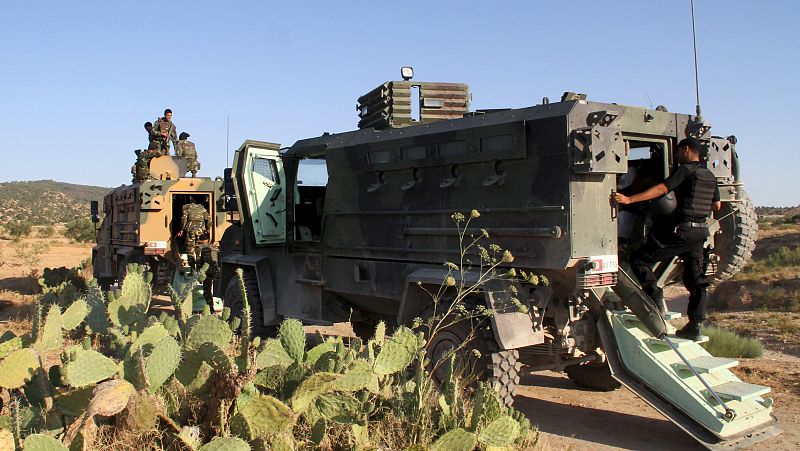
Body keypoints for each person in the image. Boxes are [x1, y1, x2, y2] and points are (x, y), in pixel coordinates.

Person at [614, 138, 721, 341]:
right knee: (697, 281)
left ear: (686, 150)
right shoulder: (709, 175)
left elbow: (662, 189)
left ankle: (654, 297)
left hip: (681, 231)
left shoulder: (685, 171)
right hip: (699, 234)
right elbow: (716, 206)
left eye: (678, 152)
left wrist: (629, 199)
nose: (677, 156)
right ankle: (695, 326)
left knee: (640, 260)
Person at [178, 196, 211, 273]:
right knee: (199, 250)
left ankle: (192, 270)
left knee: (190, 250)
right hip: (201, 231)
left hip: (190, 231)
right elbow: (209, 220)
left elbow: (184, 219)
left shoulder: (186, 207)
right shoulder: (202, 208)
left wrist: (182, 229)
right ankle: (199, 270)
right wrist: (207, 229)